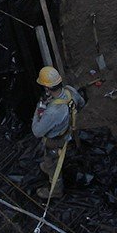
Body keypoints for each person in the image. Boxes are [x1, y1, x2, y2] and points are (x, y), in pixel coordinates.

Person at [30, 65, 85, 200]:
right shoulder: (69, 91)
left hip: (56, 140)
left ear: (47, 88)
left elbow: (37, 132)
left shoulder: (52, 112)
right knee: (54, 157)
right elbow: (81, 103)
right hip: (67, 132)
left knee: (51, 163)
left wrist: (39, 109)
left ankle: (55, 191)